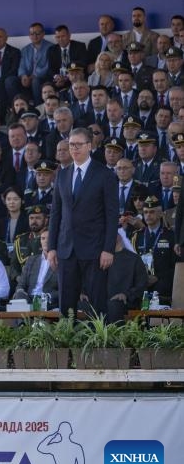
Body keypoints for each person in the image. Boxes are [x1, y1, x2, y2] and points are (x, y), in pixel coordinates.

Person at [47, 127, 118, 316]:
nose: (74, 149)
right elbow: (55, 214)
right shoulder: (62, 175)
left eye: (78, 144)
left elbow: (112, 216)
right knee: (66, 305)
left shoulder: (105, 175)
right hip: (66, 249)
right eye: (71, 145)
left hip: (95, 249)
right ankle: (67, 342)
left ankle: (99, 344)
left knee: (97, 305)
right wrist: (51, 247)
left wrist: (108, 249)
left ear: (89, 146)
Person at [106, 229, 149, 323]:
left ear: (120, 236)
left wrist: (126, 294)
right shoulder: (101, 257)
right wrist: (83, 292)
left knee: (113, 305)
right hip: (102, 301)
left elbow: (142, 285)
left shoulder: (134, 259)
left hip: (126, 302)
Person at [12, 229, 59, 308]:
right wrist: (20, 291)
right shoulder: (31, 260)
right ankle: (24, 321)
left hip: (48, 299)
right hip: (29, 298)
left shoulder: (61, 262)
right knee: (19, 297)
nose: (46, 241)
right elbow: (21, 284)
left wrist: (50, 296)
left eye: (49, 238)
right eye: (43, 238)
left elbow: (66, 288)